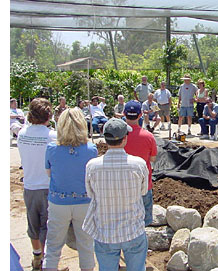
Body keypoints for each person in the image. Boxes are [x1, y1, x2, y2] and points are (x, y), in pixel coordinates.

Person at [82, 118, 149, 271]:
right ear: (125, 138)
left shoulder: (92, 166)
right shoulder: (138, 164)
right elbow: (143, 191)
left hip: (105, 232)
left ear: (105, 138)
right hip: (133, 231)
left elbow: (91, 194)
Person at [42, 108, 97, 271]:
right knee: (86, 245)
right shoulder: (91, 149)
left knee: (52, 246)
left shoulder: (51, 148)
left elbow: (49, 173)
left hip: (58, 202)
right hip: (84, 202)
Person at [17, 98, 57, 270]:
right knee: (48, 226)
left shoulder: (22, 133)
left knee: (33, 225)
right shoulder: (52, 136)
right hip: (49, 186)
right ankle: (47, 261)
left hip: (30, 186)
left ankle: (37, 257)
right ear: (48, 115)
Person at [124, 100, 157, 227]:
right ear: (140, 115)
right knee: (144, 223)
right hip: (144, 185)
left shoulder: (119, 136)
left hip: (124, 185)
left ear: (124, 114)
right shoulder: (148, 136)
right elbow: (153, 159)